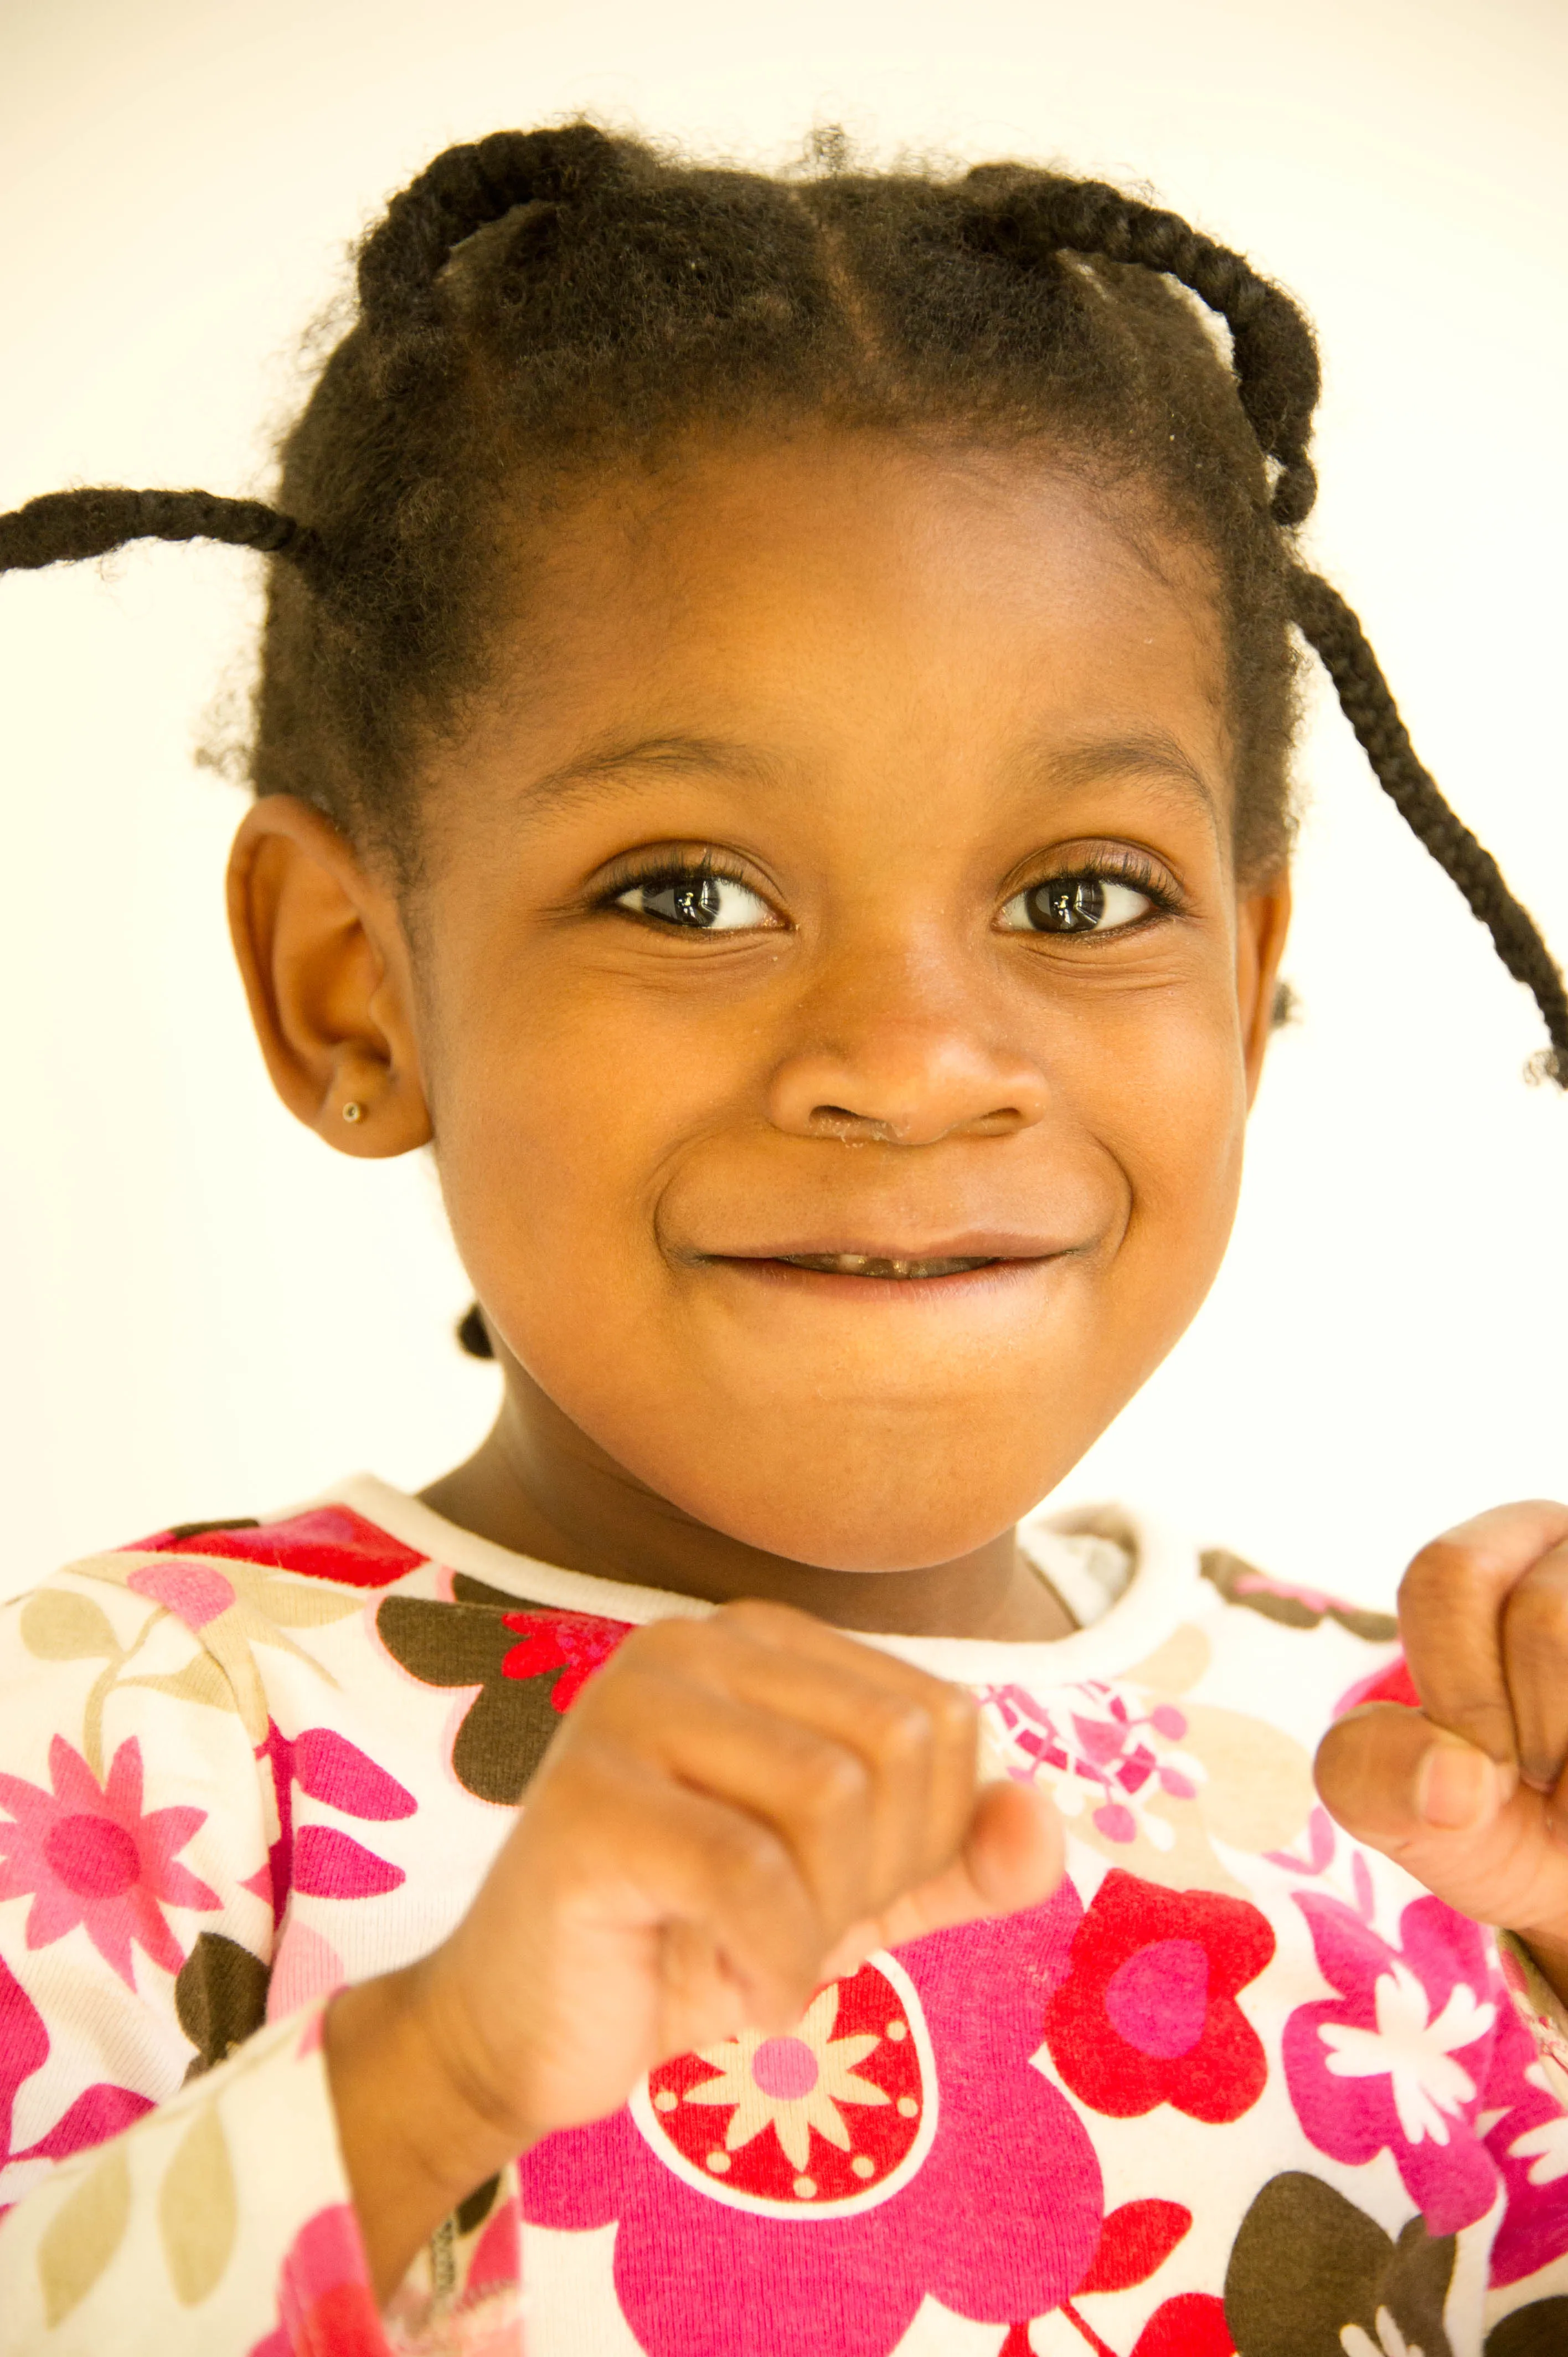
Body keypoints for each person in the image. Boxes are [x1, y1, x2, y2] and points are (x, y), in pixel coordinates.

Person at [1, 122, 1565, 2357]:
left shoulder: (1424, 1800)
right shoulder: (137, 1745)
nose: (918, 1057)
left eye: (1082, 896)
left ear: (1245, 979)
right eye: (686, 892)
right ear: (352, 981)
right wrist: (432, 2069)